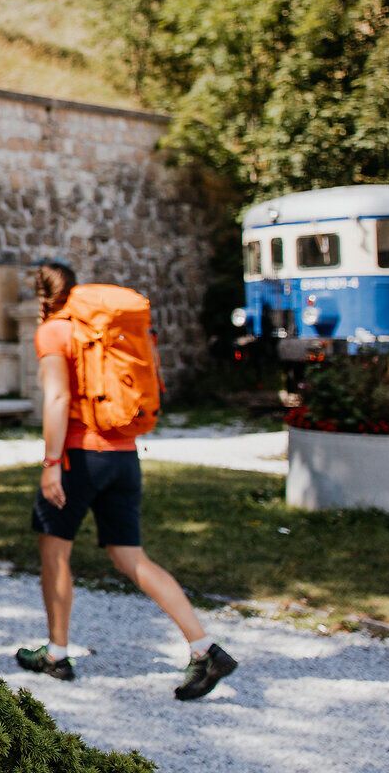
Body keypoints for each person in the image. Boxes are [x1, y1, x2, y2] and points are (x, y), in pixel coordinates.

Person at [16, 259, 238, 700]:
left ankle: (56, 654)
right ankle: (204, 647)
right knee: (131, 558)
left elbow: (58, 398)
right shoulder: (103, 332)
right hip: (122, 457)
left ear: (41, 297)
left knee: (55, 552)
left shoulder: (56, 332)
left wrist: (51, 463)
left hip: (80, 456)